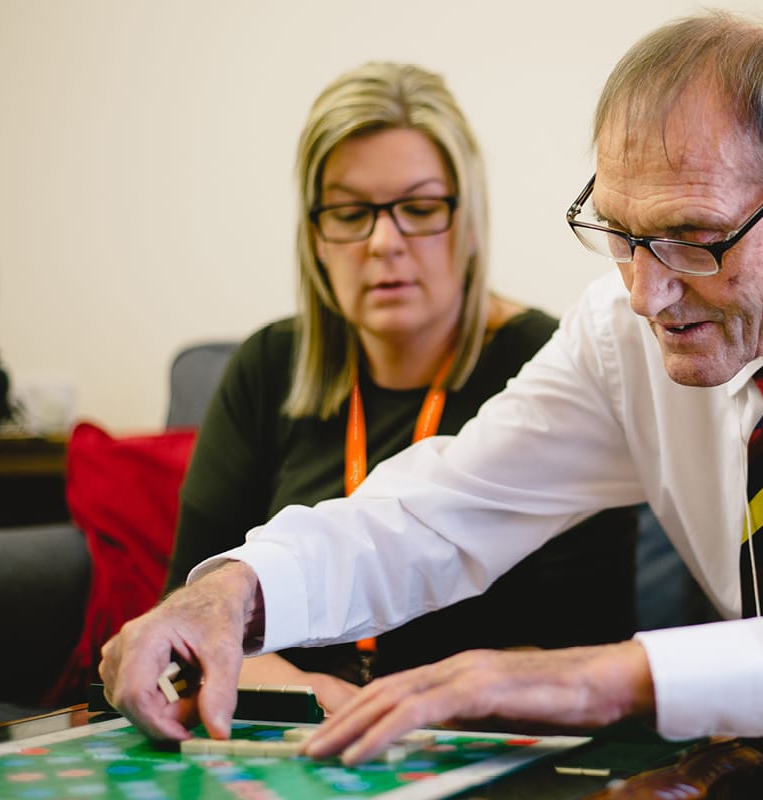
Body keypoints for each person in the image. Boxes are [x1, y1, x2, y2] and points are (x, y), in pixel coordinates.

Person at [102, 12, 763, 797]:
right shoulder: (625, 335)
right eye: (618, 231)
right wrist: (237, 589)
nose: (647, 291)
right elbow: (438, 509)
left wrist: (614, 675)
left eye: (695, 239)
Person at [157, 60, 638, 714]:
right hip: (291, 732)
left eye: (418, 208)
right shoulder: (268, 364)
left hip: (479, 734)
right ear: (314, 237)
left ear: (470, 225)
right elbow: (190, 614)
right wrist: (315, 694)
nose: (385, 242)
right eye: (351, 213)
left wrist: (411, 704)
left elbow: (581, 643)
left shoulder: (554, 363)